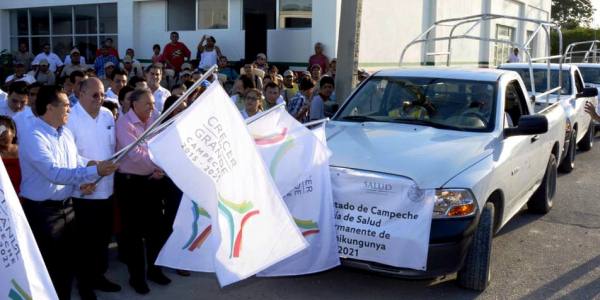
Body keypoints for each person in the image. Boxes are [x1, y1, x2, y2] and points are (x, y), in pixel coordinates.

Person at [19, 85, 118, 300]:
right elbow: (54, 172)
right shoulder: (32, 135)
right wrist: (93, 171)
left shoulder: (64, 133)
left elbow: (73, 162)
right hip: (42, 213)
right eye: (65, 105)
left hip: (67, 207)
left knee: (67, 265)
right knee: (49, 268)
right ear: (49, 108)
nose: (70, 110)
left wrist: (89, 169)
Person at [65, 78, 121, 299]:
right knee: (85, 242)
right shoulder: (71, 119)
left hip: (107, 189)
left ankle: (99, 275)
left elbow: (113, 147)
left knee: (102, 239)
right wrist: (91, 170)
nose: (100, 99)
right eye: (95, 95)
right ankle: (85, 283)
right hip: (84, 190)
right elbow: (70, 156)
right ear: (80, 93)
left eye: (102, 95)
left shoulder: (108, 115)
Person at [115, 88, 170, 295]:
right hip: (131, 185)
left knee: (155, 231)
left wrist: (158, 166)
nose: (152, 108)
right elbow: (137, 155)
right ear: (134, 104)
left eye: (153, 104)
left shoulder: (153, 120)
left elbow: (160, 147)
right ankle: (136, 277)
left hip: (152, 182)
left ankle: (155, 271)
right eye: (148, 104)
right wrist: (160, 165)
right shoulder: (124, 124)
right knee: (134, 235)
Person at [0, 116, 21, 194]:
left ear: (13, 132)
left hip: (25, 198)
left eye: (3, 130)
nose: (0, 134)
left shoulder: (24, 151)